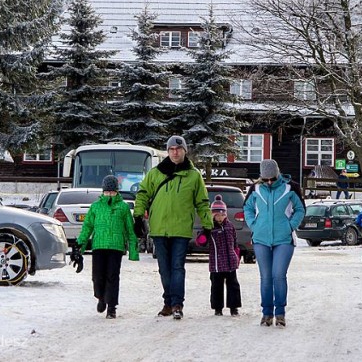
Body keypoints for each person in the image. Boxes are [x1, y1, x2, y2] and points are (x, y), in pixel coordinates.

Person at [133, 135, 212, 320]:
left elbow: (202, 202)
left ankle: (176, 304)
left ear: (185, 151)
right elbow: (143, 194)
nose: (175, 152)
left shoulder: (194, 176)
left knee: (177, 267)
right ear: (168, 152)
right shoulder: (155, 173)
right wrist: (138, 216)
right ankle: (168, 302)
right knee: (164, 268)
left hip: (181, 229)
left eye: (178, 149)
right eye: (171, 149)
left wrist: (208, 226)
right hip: (159, 228)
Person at [244, 159, 305, 328]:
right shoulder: (255, 188)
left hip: (283, 239)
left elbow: (300, 209)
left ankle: (280, 313)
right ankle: (266, 313)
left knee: (278, 275)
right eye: (266, 179)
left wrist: (290, 225)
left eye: (272, 178)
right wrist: (254, 225)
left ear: (277, 174)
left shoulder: (290, 187)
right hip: (261, 239)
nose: (269, 182)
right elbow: (247, 208)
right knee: (266, 277)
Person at [75, 175, 139, 319]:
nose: (109, 194)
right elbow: (88, 227)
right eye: (107, 191)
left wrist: (133, 251)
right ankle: (101, 297)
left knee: (112, 276)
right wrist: (81, 244)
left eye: (112, 191)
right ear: (103, 191)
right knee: (97, 276)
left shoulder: (123, 208)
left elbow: (130, 229)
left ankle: (111, 307)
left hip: (116, 247)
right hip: (99, 246)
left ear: (117, 191)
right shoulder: (96, 207)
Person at [195, 195, 242, 317]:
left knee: (233, 285)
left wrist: (236, 255)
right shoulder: (210, 227)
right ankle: (217, 308)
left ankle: (234, 307)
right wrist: (206, 231)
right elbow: (200, 241)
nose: (220, 218)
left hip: (230, 261)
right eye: (217, 215)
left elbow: (235, 242)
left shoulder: (230, 226)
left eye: (222, 215)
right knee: (217, 286)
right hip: (216, 263)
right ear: (212, 215)